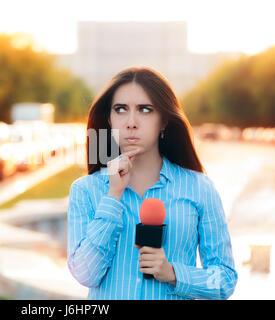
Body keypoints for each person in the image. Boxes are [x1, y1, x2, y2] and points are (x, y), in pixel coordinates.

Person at [67, 66, 238, 300]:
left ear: (164, 120)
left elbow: (225, 279)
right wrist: (113, 196)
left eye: (145, 110)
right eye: (120, 110)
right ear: (109, 118)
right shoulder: (85, 190)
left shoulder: (200, 189)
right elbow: (85, 274)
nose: (131, 122)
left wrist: (173, 273)